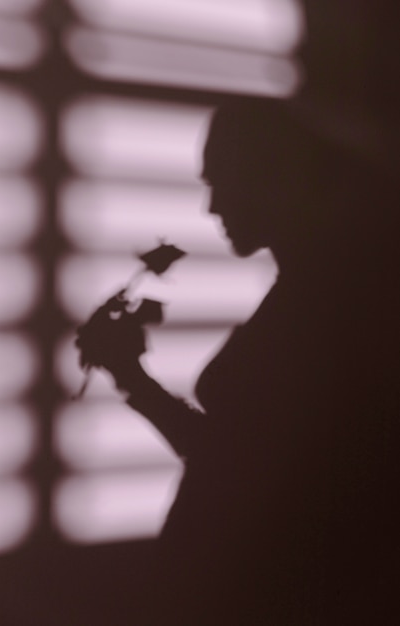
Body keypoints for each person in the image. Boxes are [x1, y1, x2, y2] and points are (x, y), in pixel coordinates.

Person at [80, 97, 399, 624]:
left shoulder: (325, 307)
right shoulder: (308, 295)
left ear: (276, 177)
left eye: (223, 180)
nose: (212, 207)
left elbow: (242, 470)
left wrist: (134, 381)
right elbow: (236, 456)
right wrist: (132, 377)